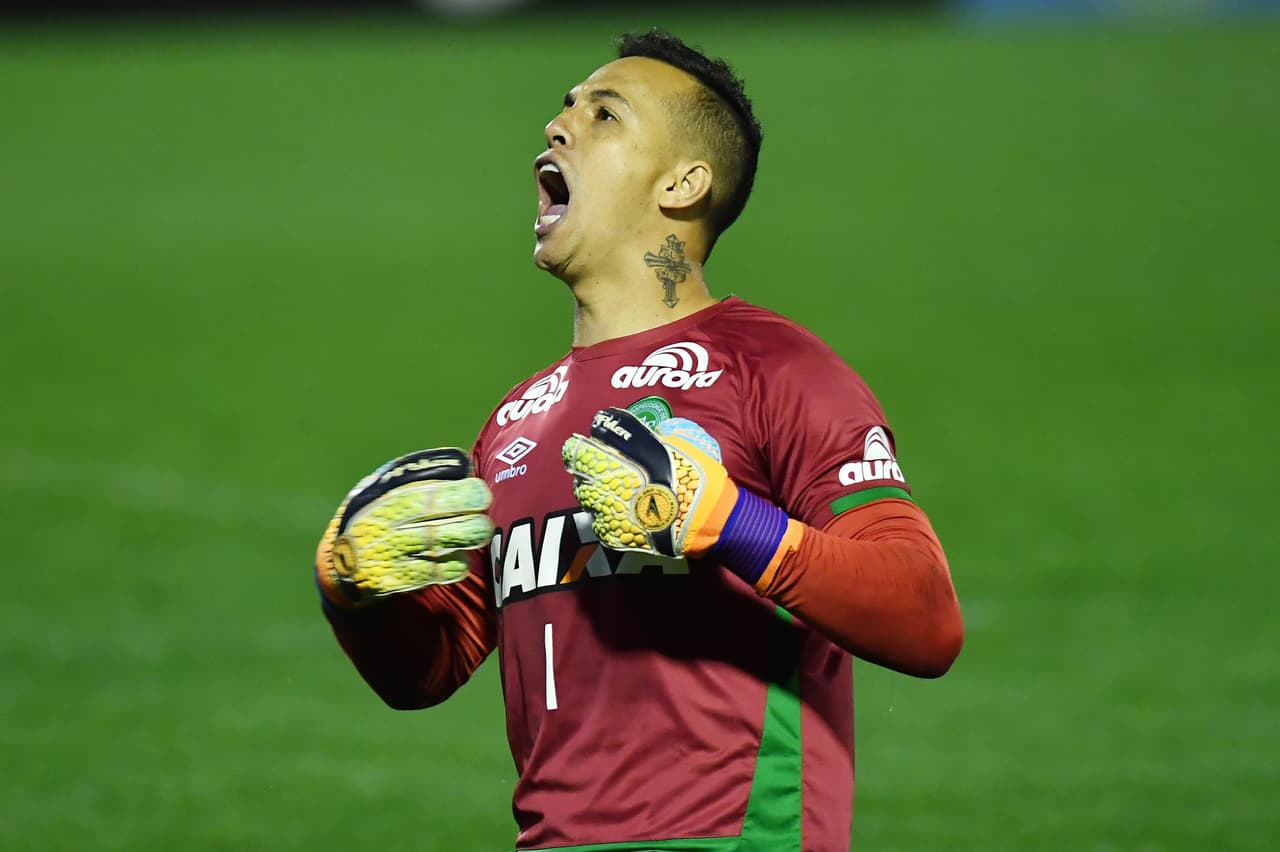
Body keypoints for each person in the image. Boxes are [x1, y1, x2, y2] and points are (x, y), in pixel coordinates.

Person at [315, 30, 964, 852]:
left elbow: (926, 616)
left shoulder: (776, 369)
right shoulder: (519, 418)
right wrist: (353, 592)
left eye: (604, 113)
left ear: (683, 184)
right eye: (565, 106)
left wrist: (728, 521)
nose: (557, 126)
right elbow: (430, 671)